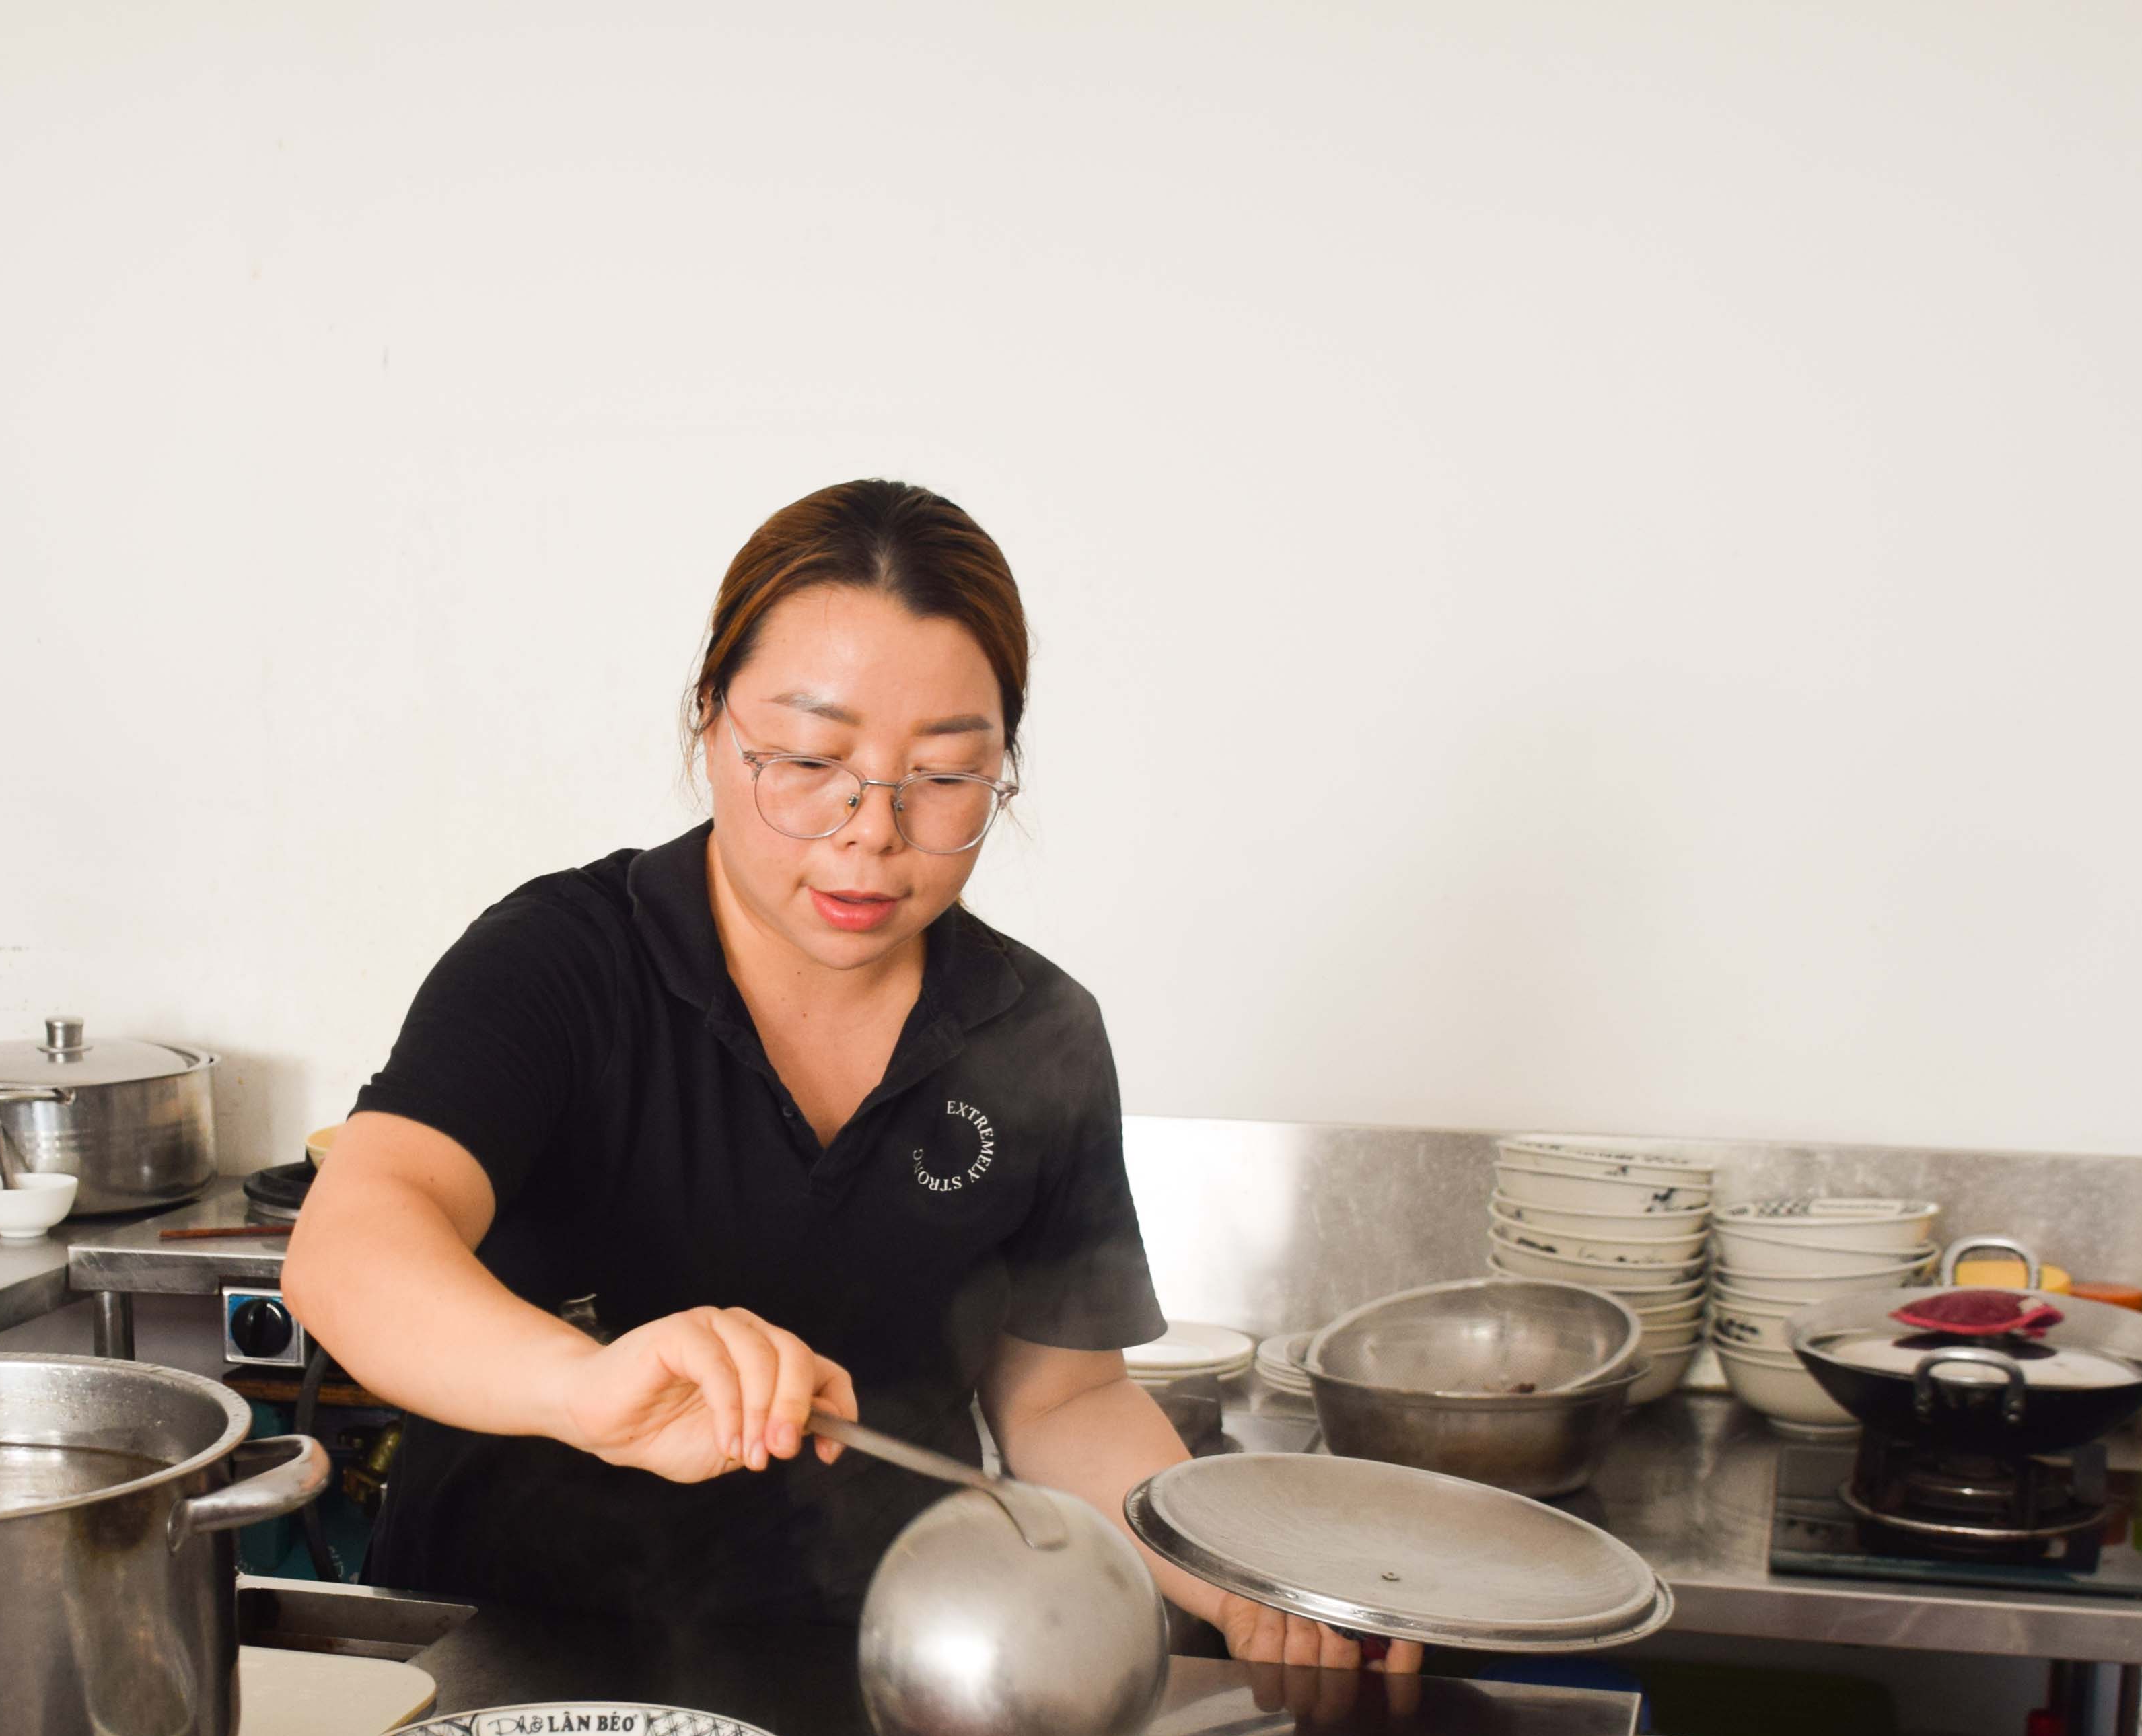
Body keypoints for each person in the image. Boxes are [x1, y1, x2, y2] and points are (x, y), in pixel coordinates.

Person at [284, 480, 1414, 1670]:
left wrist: (1242, 1582)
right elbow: (352, 1246)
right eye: (813, 758)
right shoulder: (562, 962)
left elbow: (1063, 1403)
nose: (872, 830)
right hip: (506, 1665)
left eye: (945, 777)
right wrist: (584, 1387)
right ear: (710, 724)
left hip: (878, 1679)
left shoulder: (1036, 1027)